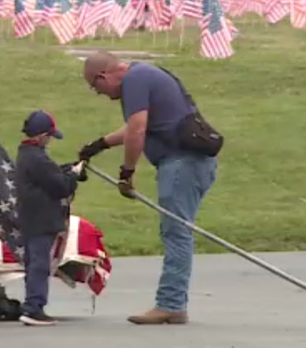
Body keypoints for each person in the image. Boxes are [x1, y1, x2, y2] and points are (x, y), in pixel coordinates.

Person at [77, 52, 218, 325]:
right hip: (188, 163)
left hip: (182, 164)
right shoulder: (144, 74)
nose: (101, 94)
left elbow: (138, 130)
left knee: (176, 233)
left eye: (97, 88)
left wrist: (127, 172)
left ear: (103, 76)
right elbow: (136, 127)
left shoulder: (135, 80)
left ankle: (172, 304)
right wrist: (100, 144)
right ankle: (173, 303)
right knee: (176, 232)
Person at [14, 111, 82, 326]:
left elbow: (50, 175)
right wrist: (74, 176)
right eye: (49, 136)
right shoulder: (38, 159)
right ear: (41, 136)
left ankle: (32, 304)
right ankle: (34, 307)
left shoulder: (27, 155)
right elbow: (60, 186)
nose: (50, 140)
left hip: (30, 217)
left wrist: (67, 170)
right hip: (41, 220)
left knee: (34, 263)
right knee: (40, 265)